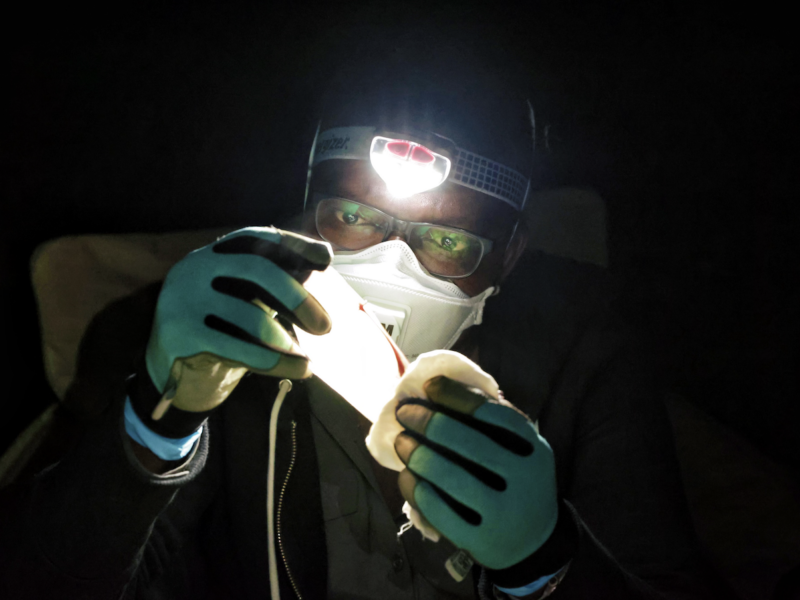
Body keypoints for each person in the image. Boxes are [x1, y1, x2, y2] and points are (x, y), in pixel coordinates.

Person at [0, 21, 733, 600]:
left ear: (510, 253)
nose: (389, 262)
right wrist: (153, 428)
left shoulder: (586, 353)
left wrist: (546, 566)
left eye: (445, 239)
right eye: (353, 213)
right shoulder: (225, 338)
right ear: (306, 209)